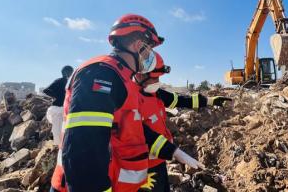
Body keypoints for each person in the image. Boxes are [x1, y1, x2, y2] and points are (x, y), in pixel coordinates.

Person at [50, 14, 202, 192]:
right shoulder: (101, 74)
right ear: (138, 46)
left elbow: (133, 130)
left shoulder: (122, 78)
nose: (150, 57)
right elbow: (84, 148)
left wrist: (173, 151)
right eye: (149, 49)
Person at [135, 52, 231, 191]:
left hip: (159, 161)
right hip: (140, 168)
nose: (157, 82)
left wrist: (210, 100)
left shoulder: (157, 93)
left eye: (159, 78)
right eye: (154, 78)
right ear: (139, 75)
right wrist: (176, 153)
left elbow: (182, 100)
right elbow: (139, 133)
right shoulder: (130, 99)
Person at [43, 65, 74, 145]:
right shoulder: (62, 81)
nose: (71, 73)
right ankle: (60, 147)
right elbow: (46, 90)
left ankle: (61, 146)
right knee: (60, 131)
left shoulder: (69, 82)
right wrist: (58, 96)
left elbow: (46, 90)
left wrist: (57, 96)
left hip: (63, 108)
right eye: (71, 72)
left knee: (61, 131)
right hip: (59, 108)